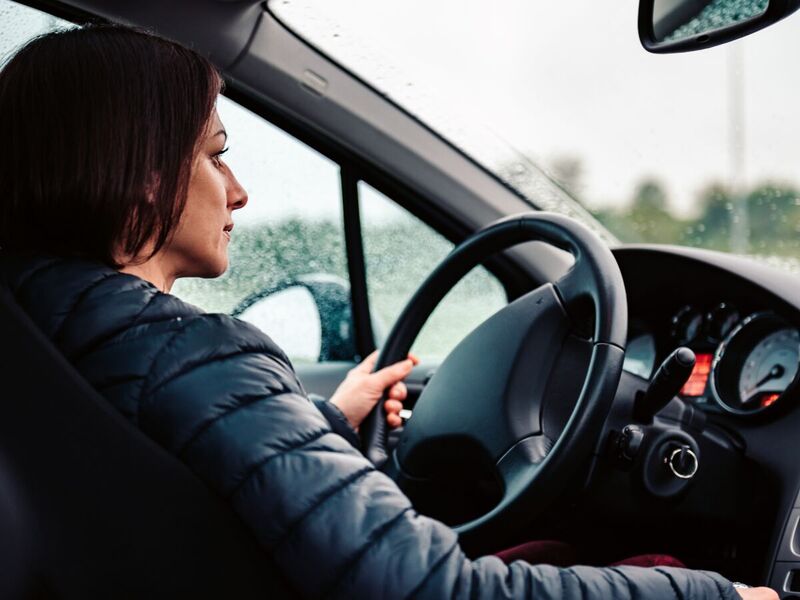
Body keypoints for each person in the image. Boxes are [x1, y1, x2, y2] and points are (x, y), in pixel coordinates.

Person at [0, 24, 775, 600]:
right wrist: (716, 595)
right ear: (143, 177)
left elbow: (183, 485)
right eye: (215, 152)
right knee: (659, 570)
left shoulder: (42, 327)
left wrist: (321, 421)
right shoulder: (195, 352)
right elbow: (427, 591)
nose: (238, 191)